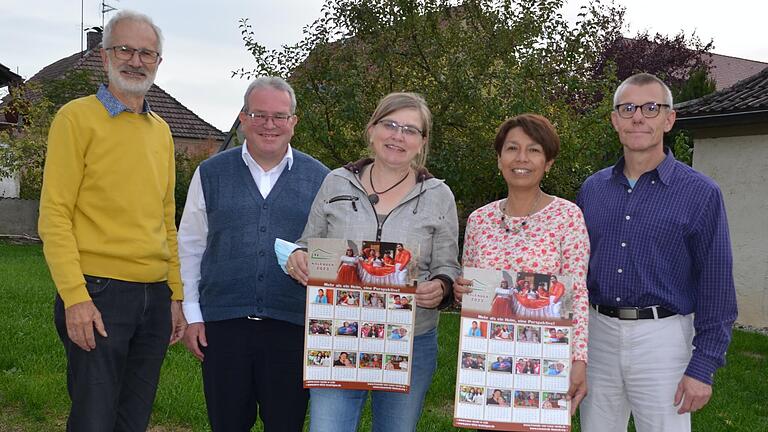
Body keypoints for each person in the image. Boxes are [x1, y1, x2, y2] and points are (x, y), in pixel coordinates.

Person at [38, 11, 186, 431]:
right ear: (105, 57)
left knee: (133, 418)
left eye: (146, 53)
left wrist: (174, 294)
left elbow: (164, 219)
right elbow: (54, 215)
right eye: (124, 49)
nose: (135, 61)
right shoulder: (75, 118)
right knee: (94, 418)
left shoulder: (162, 131)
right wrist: (75, 297)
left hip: (154, 298)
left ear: (158, 61)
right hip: (98, 293)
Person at [285, 92, 460, 431]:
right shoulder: (336, 181)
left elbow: (447, 266)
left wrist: (440, 287)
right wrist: (298, 257)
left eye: (410, 130)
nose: (398, 136)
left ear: (422, 142)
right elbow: (307, 244)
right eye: (390, 125)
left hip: (410, 340)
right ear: (372, 130)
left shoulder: (439, 195)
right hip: (337, 334)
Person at [576, 73, 738, 432]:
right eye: (628, 108)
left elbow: (717, 286)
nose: (638, 117)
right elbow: (572, 269)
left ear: (669, 119)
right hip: (597, 334)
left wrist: (703, 366)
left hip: (662, 339)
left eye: (651, 108)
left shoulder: (701, 193)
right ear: (615, 120)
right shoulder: (592, 189)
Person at [177, 76, 329, 432]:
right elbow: (191, 245)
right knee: (227, 423)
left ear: (294, 122)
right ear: (242, 118)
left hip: (292, 328)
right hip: (223, 327)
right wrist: (192, 314)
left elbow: (329, 251)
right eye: (259, 114)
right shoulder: (210, 173)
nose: (269, 124)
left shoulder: (321, 178)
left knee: (285, 424)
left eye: (279, 116)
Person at [454, 114, 590, 417]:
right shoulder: (479, 220)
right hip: (490, 354)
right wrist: (461, 290)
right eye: (512, 148)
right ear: (500, 159)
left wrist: (578, 361)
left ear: (548, 162)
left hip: (545, 356)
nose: (522, 158)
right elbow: (471, 290)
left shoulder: (567, 217)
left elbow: (577, 294)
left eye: (534, 150)